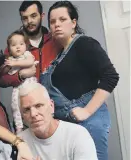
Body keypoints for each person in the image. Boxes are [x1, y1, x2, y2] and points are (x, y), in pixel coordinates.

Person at [43, 1, 119, 160]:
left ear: (73, 22)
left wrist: (87, 111)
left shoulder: (84, 43)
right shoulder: (59, 57)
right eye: (52, 21)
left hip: (89, 121)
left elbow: (110, 76)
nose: (57, 24)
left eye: (62, 19)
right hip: (70, 123)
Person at [18, 80, 98, 160]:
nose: (33, 114)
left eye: (38, 106)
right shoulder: (20, 141)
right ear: (22, 115)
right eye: (27, 110)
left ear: (51, 106)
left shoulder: (77, 135)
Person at [0, 1, 60, 88]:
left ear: (42, 16)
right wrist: (20, 75)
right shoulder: (14, 46)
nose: (29, 21)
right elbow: (1, 80)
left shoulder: (55, 40)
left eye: (33, 16)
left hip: (54, 98)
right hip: (27, 98)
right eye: (25, 18)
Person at [4, 30, 38, 133]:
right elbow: (3, 74)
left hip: (30, 84)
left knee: (34, 102)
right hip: (17, 86)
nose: (18, 47)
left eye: (21, 44)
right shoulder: (10, 59)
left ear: (26, 45)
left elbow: (30, 62)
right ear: (9, 49)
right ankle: (19, 127)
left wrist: (14, 63)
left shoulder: (27, 54)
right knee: (15, 106)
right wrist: (7, 66)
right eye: (14, 45)